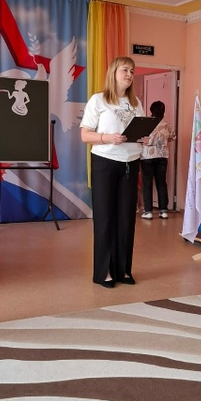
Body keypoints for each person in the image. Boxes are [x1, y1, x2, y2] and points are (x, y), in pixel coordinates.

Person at [80, 56, 145, 288]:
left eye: (132, 71)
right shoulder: (98, 100)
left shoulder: (136, 103)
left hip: (130, 162)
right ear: (113, 73)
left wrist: (143, 137)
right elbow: (85, 135)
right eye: (125, 70)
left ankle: (123, 270)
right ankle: (104, 272)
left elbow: (137, 131)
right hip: (105, 162)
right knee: (105, 218)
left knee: (127, 219)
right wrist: (108, 138)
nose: (129, 74)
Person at [140, 100, 176, 220]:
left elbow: (139, 138)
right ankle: (163, 210)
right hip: (162, 156)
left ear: (151, 110)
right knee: (161, 183)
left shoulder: (145, 124)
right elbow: (172, 137)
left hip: (147, 157)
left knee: (147, 183)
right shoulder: (166, 125)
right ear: (163, 111)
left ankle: (148, 211)